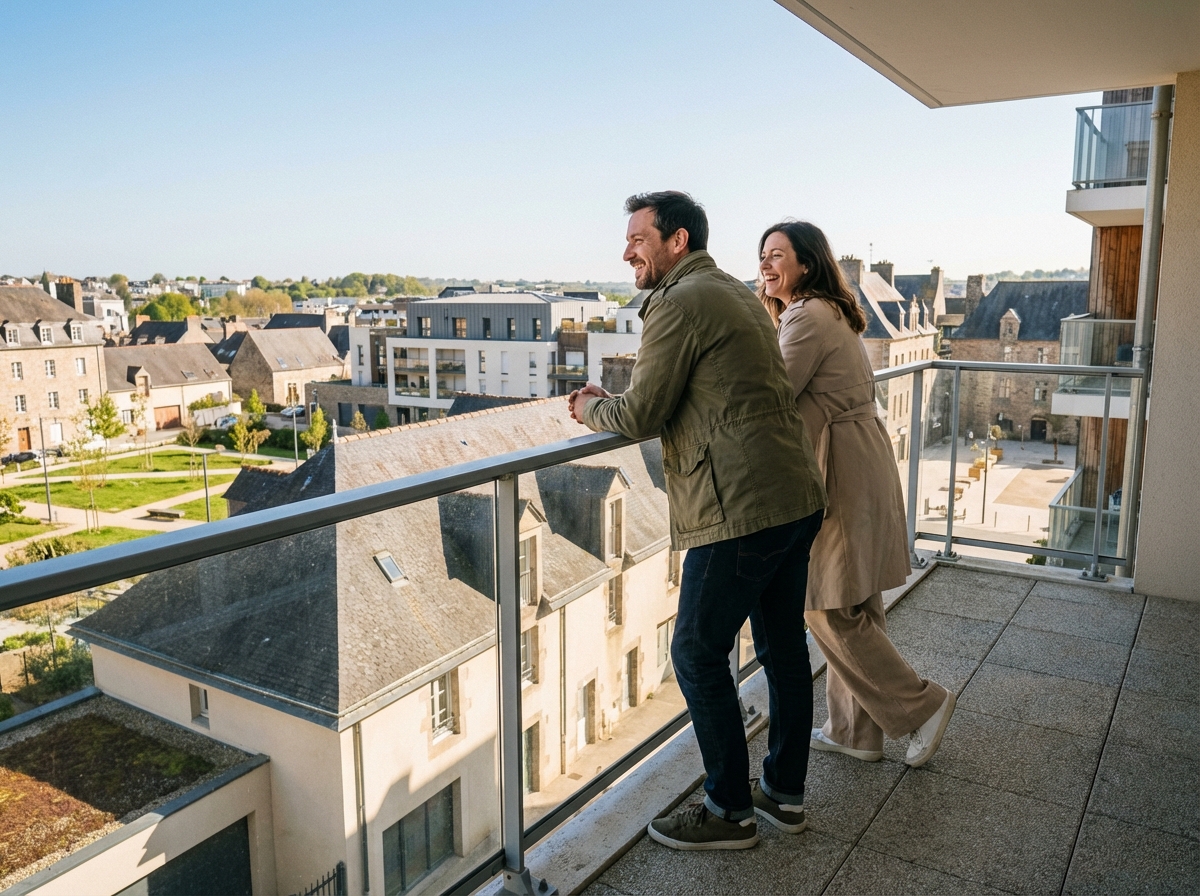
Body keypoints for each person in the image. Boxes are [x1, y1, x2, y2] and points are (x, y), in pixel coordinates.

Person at [570, 192, 827, 850]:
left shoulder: (676, 301)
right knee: (781, 652)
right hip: (792, 496)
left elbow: (641, 414)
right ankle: (784, 796)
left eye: (639, 240)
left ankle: (728, 811)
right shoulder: (736, 292)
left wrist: (589, 406)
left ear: (676, 241)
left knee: (693, 651)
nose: (628, 251)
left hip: (739, 508)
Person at [757, 220, 955, 768]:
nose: (766, 265)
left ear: (808, 263)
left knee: (824, 603)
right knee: (855, 598)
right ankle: (854, 732)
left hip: (838, 465)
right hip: (856, 457)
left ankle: (922, 706)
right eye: (762, 256)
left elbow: (771, 395)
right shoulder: (827, 312)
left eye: (778, 255)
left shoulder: (807, 316)